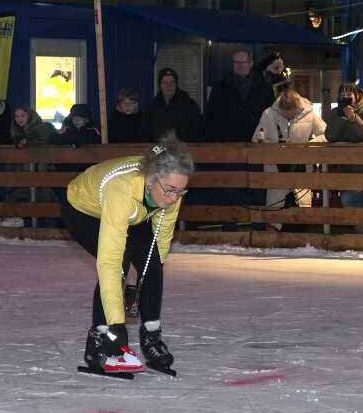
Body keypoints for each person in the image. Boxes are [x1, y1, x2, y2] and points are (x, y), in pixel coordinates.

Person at [61, 133, 194, 374]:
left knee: (151, 260)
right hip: (83, 209)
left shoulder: (168, 191)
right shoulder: (122, 188)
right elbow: (109, 261)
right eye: (171, 190)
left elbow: (160, 241)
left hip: (134, 211)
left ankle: (152, 338)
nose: (174, 198)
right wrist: (117, 324)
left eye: (180, 192)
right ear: (152, 178)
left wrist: (142, 282)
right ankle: (100, 340)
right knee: (120, 261)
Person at [252, 86, 326, 230]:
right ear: (280, 108)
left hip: (301, 172)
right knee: (274, 214)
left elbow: (326, 135)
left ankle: (302, 245)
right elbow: (256, 139)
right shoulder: (268, 114)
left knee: (302, 214)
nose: (288, 118)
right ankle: (273, 244)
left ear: (298, 109)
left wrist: (310, 146)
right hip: (275, 173)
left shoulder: (309, 114)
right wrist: (269, 147)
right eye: (285, 115)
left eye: (291, 115)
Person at [325, 81, 363, 235]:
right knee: (349, 198)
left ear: (357, 96)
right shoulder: (336, 113)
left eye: (349, 94)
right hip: (347, 168)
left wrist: (354, 118)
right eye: (342, 95)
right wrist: (342, 119)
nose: (345, 97)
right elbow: (330, 136)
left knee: (350, 198)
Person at [204, 49, 275, 143]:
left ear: (250, 63)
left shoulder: (265, 89)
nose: (239, 65)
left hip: (256, 143)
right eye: (236, 62)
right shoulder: (220, 88)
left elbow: (271, 115)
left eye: (243, 62)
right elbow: (211, 117)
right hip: (227, 144)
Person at [142, 67, 204, 143]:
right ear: (160, 85)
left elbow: (197, 130)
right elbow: (146, 132)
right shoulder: (153, 106)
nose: (169, 85)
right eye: (165, 82)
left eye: (172, 82)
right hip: (159, 149)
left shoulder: (189, 104)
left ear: (176, 84)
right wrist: (154, 151)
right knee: (152, 154)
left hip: (182, 148)